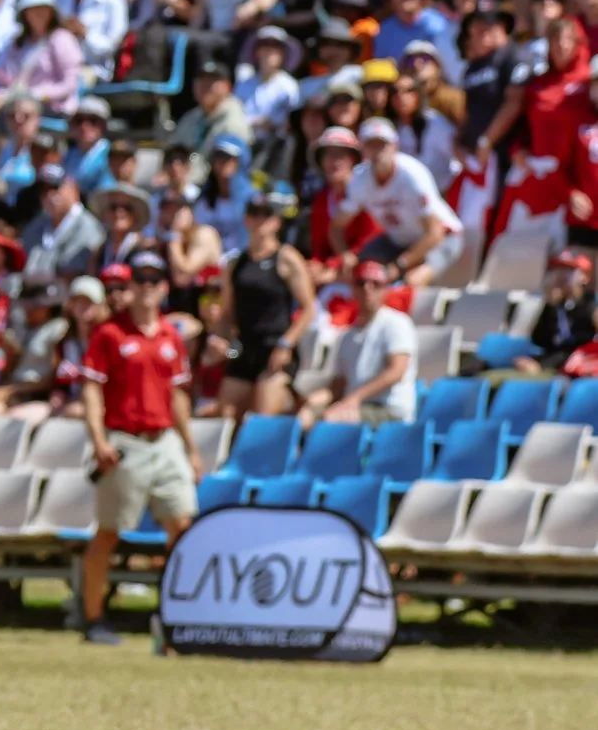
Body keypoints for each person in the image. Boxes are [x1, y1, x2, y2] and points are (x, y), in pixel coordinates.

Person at [74, 253, 203, 646]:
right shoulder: (110, 333)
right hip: (124, 440)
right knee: (110, 533)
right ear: (129, 288)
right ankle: (93, 616)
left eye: (154, 279)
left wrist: (191, 447)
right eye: (140, 279)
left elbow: (178, 396)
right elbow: (92, 389)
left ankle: (177, 616)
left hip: (163, 440)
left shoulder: (171, 336)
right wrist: (98, 440)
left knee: (182, 526)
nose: (147, 286)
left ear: (165, 287)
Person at [212, 193, 315, 417]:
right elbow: (227, 312)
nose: (259, 220)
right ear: (246, 219)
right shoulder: (235, 264)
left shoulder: (286, 258)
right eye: (254, 214)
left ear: (276, 222)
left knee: (262, 414)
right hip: (246, 348)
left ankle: (289, 401)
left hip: (274, 346)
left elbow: (308, 308)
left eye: (265, 215)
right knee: (225, 412)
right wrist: (220, 339)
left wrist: (286, 344)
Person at [345, 116, 464, 286]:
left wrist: (400, 265)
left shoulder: (411, 175)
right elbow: (337, 225)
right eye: (371, 145)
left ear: (395, 146)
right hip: (398, 241)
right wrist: (344, 254)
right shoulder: (359, 179)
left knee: (412, 281)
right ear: (363, 149)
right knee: (362, 274)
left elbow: (434, 233)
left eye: (382, 145)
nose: (377, 151)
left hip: (444, 237)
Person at [317, 260, 417, 423]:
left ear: (385, 289)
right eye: (361, 283)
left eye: (375, 284)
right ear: (353, 288)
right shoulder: (347, 335)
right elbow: (339, 384)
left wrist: (354, 398)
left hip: (389, 409)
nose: (367, 289)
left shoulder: (397, 323)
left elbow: (397, 371)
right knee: (305, 416)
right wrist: (314, 400)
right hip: (357, 405)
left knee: (331, 420)